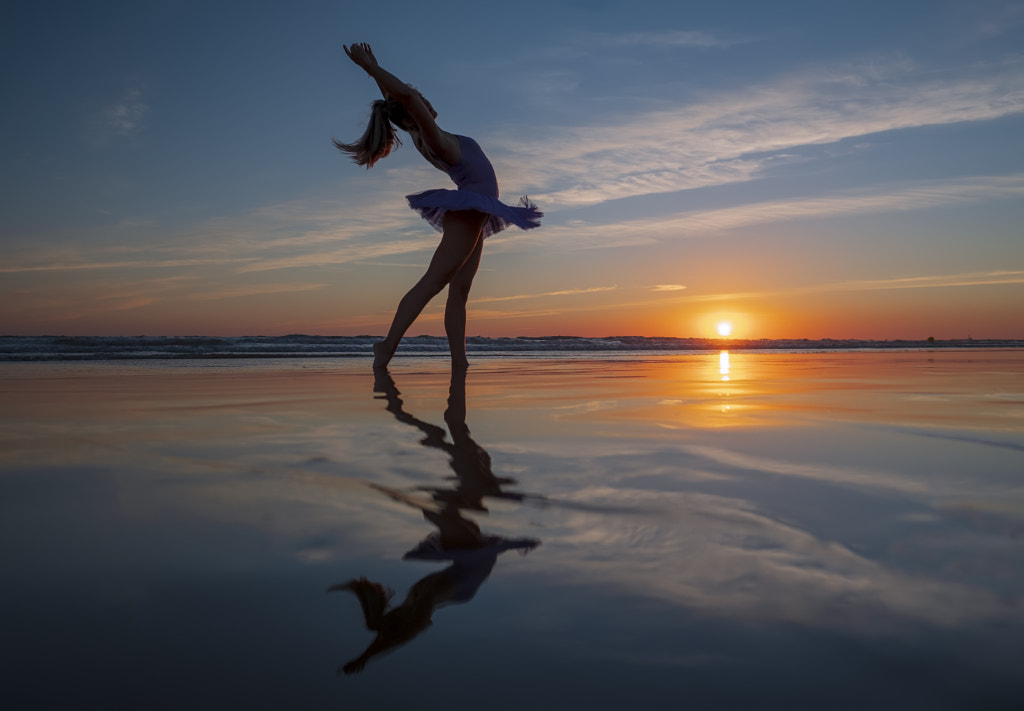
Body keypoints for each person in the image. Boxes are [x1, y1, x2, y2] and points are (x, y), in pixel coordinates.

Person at [337, 43, 542, 369]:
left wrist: (373, 69)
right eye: (419, 101)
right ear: (412, 114)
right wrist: (370, 68)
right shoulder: (431, 137)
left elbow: (399, 101)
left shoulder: (421, 131)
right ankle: (387, 347)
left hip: (477, 207)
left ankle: (459, 361)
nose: (426, 101)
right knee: (434, 281)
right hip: (469, 207)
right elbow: (405, 98)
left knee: (459, 290)